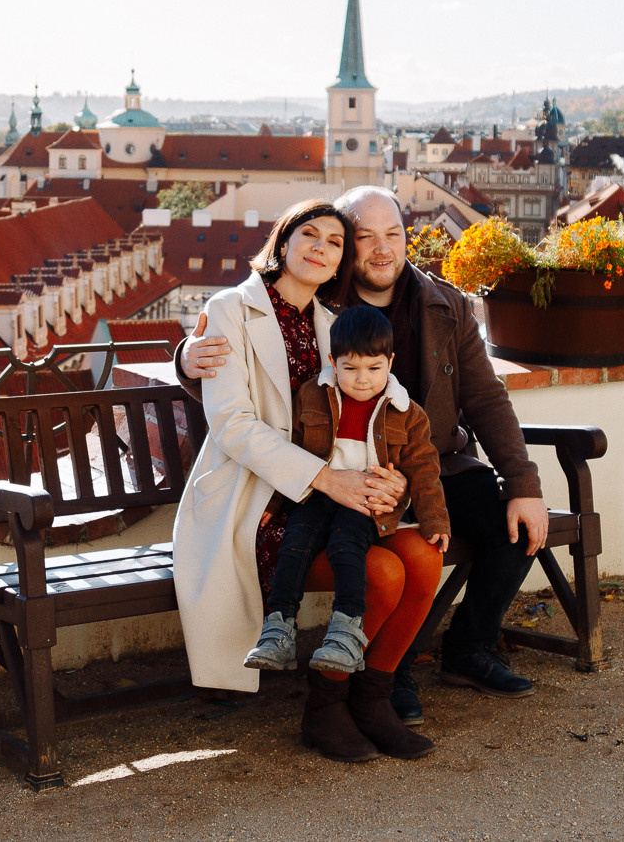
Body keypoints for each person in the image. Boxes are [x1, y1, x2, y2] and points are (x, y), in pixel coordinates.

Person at [182, 184, 549, 725]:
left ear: (408, 238)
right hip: (349, 472)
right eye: (364, 236)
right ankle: (386, 676)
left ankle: (468, 649)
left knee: (514, 525)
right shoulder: (327, 302)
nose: (381, 249)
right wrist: (186, 358)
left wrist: (523, 483)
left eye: (394, 234)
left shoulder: (444, 304)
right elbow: (266, 387)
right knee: (395, 562)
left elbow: (486, 396)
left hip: (432, 465)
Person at [169, 200, 441, 764]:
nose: (321, 247)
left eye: (335, 241)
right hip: (258, 500)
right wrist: (329, 480)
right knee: (385, 572)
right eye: (308, 234)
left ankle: (373, 699)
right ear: (283, 243)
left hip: (335, 489)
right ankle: (324, 707)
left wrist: (390, 483)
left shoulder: (331, 323)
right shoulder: (229, 310)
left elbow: (370, 416)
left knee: (425, 558)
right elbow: (232, 425)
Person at [247, 304, 451, 677]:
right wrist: (274, 502)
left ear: (390, 362)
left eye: (374, 369)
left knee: (346, 548)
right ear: (332, 361)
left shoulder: (407, 412)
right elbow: (290, 450)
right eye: (350, 368)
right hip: (315, 495)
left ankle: (345, 633)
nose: (362, 380)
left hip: (363, 505)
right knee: (295, 543)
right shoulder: (312, 395)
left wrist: (435, 519)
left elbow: (424, 469)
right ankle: (278, 630)